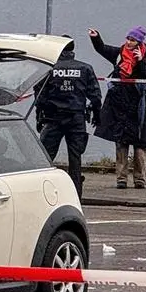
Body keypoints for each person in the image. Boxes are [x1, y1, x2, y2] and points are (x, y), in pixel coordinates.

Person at [89, 26, 146, 189]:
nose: (129, 42)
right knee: (121, 140)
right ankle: (121, 178)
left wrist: (141, 60)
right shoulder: (120, 53)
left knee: (140, 142)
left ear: (139, 42)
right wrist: (96, 37)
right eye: (128, 38)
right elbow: (102, 48)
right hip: (121, 102)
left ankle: (140, 178)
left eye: (132, 40)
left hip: (140, 104)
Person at [35, 36, 102, 198]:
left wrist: (39, 117)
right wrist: (97, 115)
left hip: (53, 119)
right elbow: (95, 96)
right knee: (75, 158)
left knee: (45, 158)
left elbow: (40, 96)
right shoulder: (85, 68)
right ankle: (76, 196)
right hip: (76, 119)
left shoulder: (49, 68)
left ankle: (43, 193)